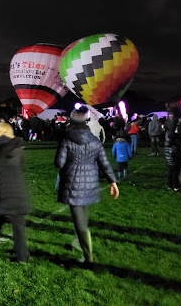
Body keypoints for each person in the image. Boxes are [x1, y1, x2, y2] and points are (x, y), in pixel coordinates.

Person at [55, 107, 119, 264]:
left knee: (80, 223)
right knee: (82, 218)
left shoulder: (66, 139)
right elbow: (104, 163)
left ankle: (88, 256)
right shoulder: (94, 140)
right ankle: (81, 243)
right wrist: (113, 182)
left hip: (72, 184)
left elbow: (58, 163)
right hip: (90, 183)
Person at [0, 122, 31, 262]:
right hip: (18, 189)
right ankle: (22, 257)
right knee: (19, 228)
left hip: (2, 189)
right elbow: (21, 165)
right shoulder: (18, 147)